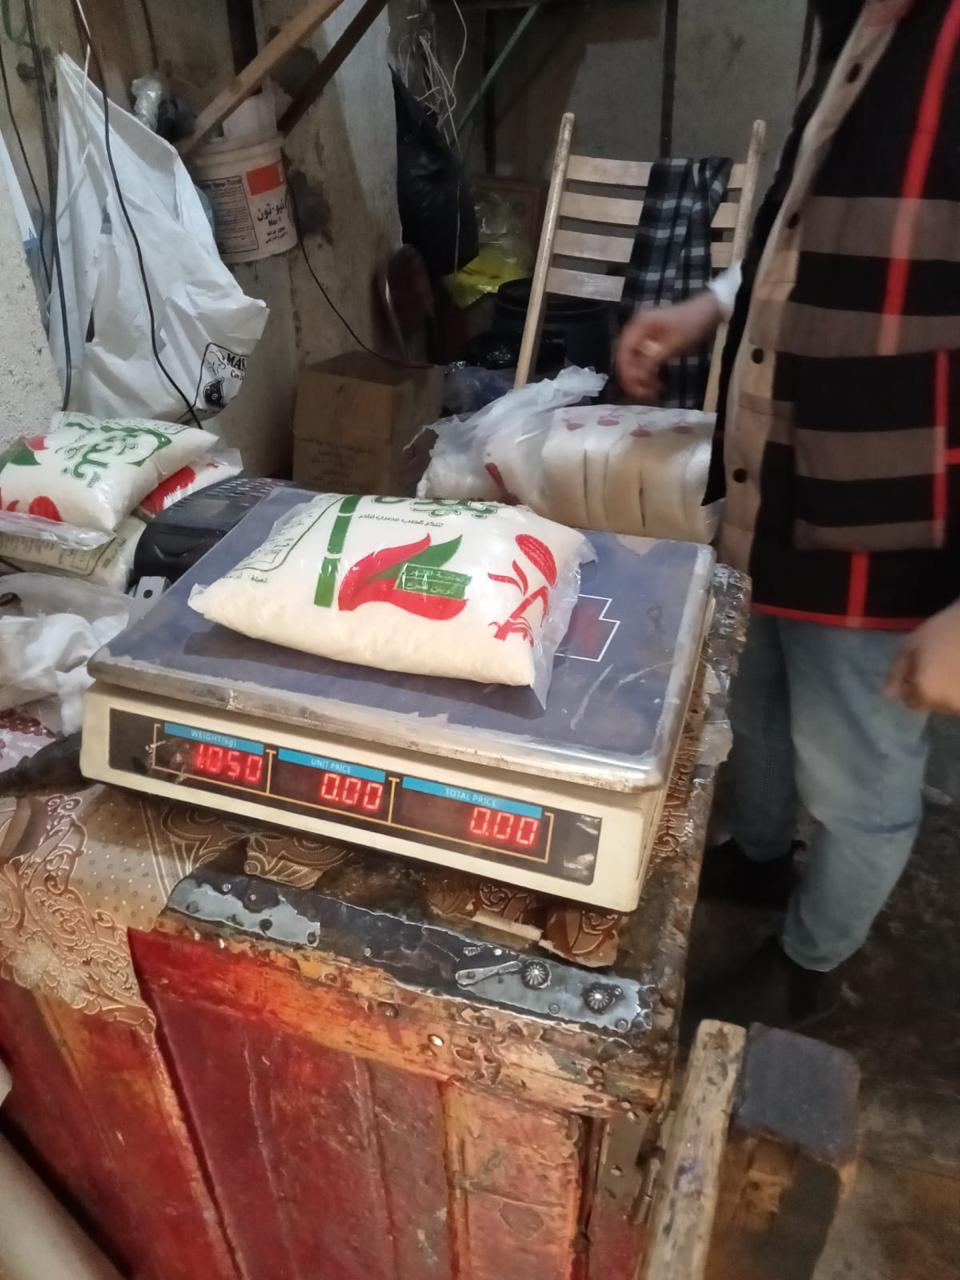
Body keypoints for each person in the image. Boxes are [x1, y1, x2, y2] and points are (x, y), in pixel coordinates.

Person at [616, 0, 960, 1028]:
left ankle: (812, 959)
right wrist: (713, 304)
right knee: (755, 701)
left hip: (888, 525)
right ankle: (760, 856)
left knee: (859, 781)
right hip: (774, 487)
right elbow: (808, 221)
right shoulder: (862, 25)